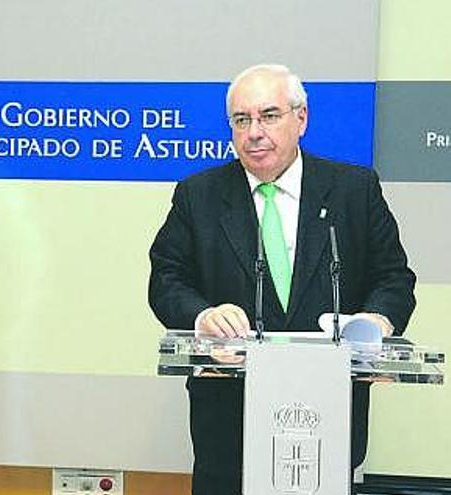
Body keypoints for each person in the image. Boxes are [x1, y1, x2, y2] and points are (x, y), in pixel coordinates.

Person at [147, 64, 415, 495]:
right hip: (227, 429)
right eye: (241, 119)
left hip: (327, 419)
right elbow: (166, 278)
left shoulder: (353, 190)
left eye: (269, 116)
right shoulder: (198, 194)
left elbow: (394, 279)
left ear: (301, 118)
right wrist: (203, 316)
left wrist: (377, 322)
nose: (254, 131)